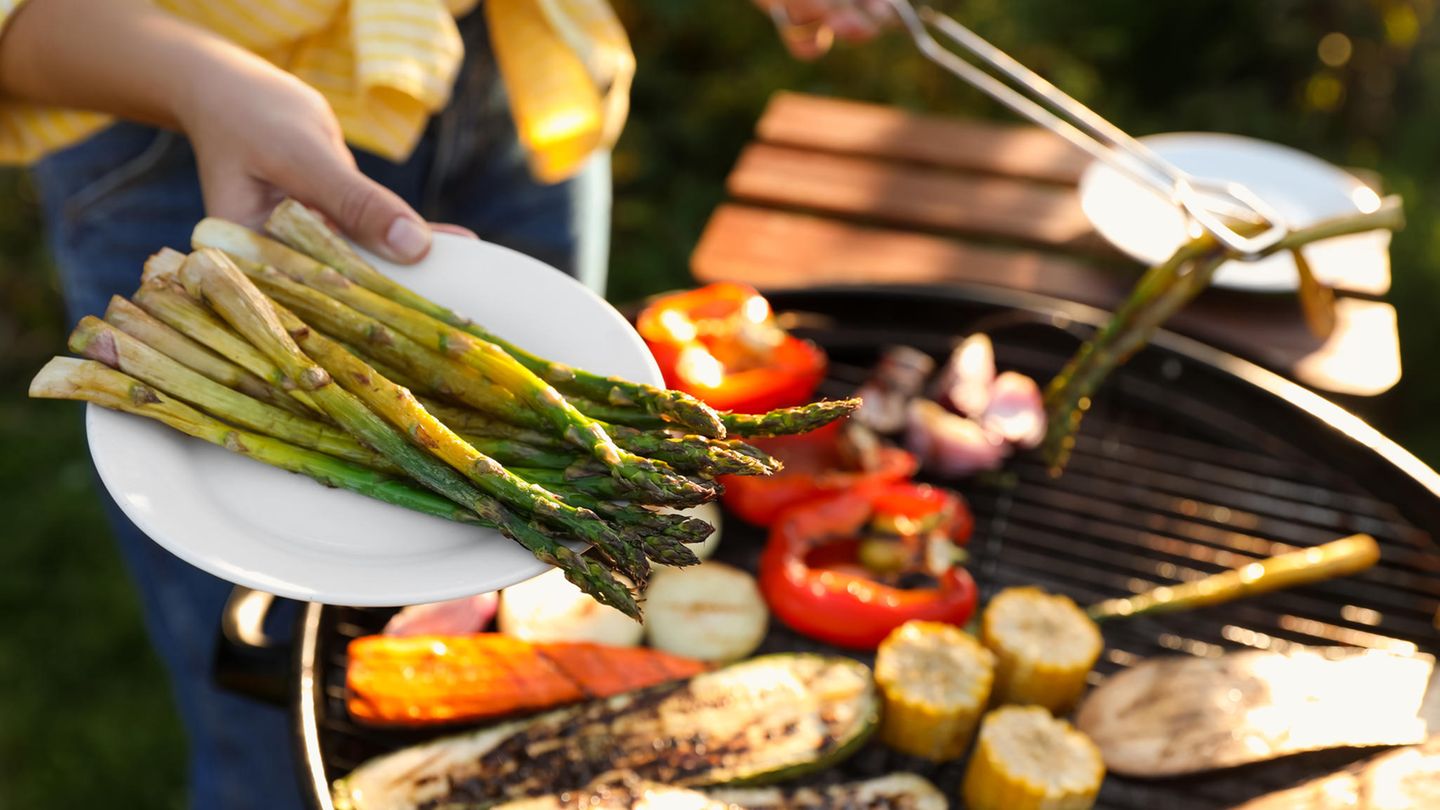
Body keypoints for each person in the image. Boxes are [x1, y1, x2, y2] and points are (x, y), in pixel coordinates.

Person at [0, 0, 890, 807]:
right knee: (255, 702)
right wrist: (204, 86)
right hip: (150, 94)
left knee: (527, 454)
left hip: (513, 61)